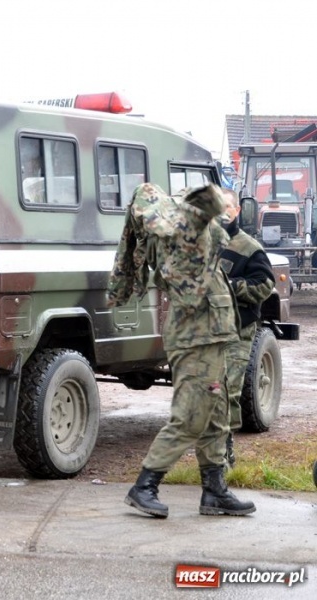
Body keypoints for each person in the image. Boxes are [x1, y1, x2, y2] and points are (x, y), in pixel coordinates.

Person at [108, 182, 255, 518]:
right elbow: (205, 207)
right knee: (190, 417)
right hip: (195, 338)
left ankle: (215, 491)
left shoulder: (197, 237)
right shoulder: (180, 237)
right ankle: (145, 485)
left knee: (214, 417)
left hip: (211, 336)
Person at [219, 189, 275, 468]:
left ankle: (224, 460)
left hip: (238, 331)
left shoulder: (248, 247)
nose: (222, 212)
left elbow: (265, 285)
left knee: (228, 391)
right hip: (208, 333)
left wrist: (231, 287)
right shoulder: (204, 243)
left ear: (237, 210)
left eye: (227, 207)